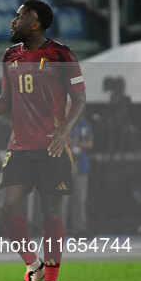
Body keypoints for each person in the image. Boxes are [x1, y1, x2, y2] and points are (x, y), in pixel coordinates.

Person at [0, 0, 87, 281]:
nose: (12, 21)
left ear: (36, 23)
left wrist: (64, 131)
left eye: (19, 16)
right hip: (19, 145)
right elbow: (7, 101)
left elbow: (80, 100)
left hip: (52, 147)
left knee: (50, 211)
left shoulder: (62, 54)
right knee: (6, 206)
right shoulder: (9, 56)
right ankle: (34, 265)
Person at [62, 97, 93, 234]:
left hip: (80, 162)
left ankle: (80, 228)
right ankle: (60, 229)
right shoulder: (59, 122)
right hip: (64, 164)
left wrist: (78, 144)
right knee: (63, 199)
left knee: (80, 198)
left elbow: (90, 143)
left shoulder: (82, 123)